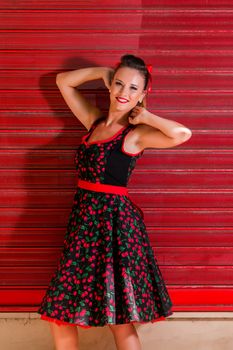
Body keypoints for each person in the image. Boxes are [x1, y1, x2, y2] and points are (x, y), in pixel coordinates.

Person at [37, 54, 192, 350]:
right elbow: (63, 82)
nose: (124, 93)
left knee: (119, 320)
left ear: (144, 94)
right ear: (110, 86)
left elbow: (181, 133)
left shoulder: (135, 135)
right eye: (119, 84)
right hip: (83, 230)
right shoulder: (93, 121)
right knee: (60, 313)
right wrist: (102, 71)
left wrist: (145, 116)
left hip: (115, 233)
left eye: (134, 88)